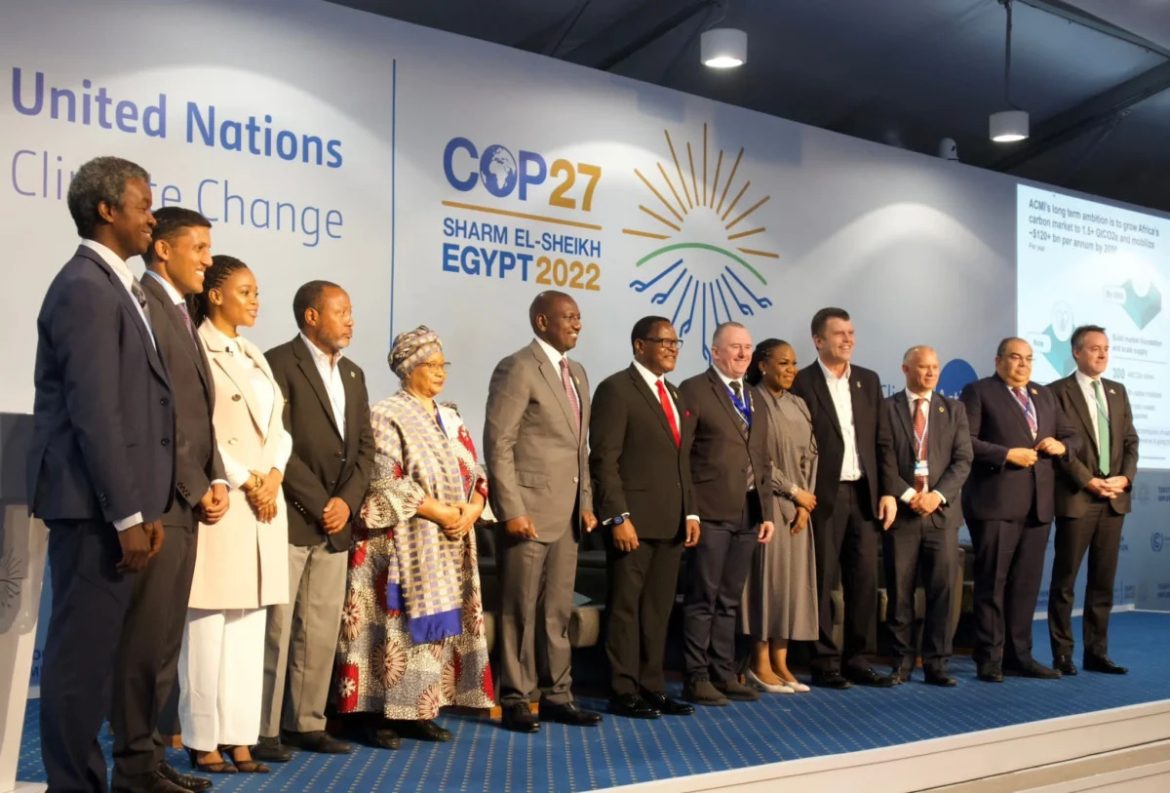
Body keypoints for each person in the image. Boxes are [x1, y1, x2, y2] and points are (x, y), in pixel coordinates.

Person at [29, 156, 175, 793]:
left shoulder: (117, 285)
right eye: (143, 205)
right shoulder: (85, 287)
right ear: (107, 210)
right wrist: (127, 512)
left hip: (116, 507)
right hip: (93, 509)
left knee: (96, 662)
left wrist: (146, 507)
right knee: (79, 667)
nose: (152, 217)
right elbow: (95, 411)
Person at [111, 208, 228, 793]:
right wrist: (194, 484)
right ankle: (133, 765)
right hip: (160, 500)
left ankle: (149, 759)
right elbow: (160, 414)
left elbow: (201, 413)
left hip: (186, 501)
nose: (209, 259)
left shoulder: (182, 311)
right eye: (199, 247)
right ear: (163, 249)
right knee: (143, 642)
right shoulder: (146, 304)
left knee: (162, 643)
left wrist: (218, 476)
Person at [334, 326, 495, 746]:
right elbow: (386, 479)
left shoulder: (452, 417)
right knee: (391, 630)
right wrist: (439, 511)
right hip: (400, 541)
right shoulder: (386, 414)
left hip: (450, 539)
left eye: (443, 364)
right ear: (408, 369)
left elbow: (475, 471)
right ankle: (376, 715)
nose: (440, 372)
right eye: (430, 364)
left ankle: (419, 710)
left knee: (432, 636)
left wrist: (473, 508)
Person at [178, 255, 291, 774]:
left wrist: (274, 476)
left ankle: (240, 737)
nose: (255, 301)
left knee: (248, 630)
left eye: (257, 292)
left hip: (265, 505)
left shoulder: (253, 353)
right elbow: (199, 429)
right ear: (215, 295)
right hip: (226, 499)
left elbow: (279, 429)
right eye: (245, 292)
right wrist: (247, 479)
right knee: (208, 629)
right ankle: (202, 738)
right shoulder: (196, 346)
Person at [257, 281, 375, 759]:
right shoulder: (278, 363)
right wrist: (320, 502)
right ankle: (263, 730)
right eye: (340, 311)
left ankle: (305, 723)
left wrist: (346, 502)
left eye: (351, 311)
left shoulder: (353, 373)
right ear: (311, 316)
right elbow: (276, 442)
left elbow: (365, 448)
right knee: (277, 629)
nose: (350, 320)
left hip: (336, 523)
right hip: (291, 516)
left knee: (321, 629)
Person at [484, 290, 602, 733]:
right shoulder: (517, 367)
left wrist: (586, 502)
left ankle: (558, 695)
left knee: (557, 612)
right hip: (528, 513)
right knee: (519, 610)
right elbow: (499, 444)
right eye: (568, 317)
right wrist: (511, 508)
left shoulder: (578, 373)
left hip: (568, 516)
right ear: (541, 321)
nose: (577, 324)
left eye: (578, 317)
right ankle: (517, 696)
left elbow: (579, 449)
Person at [589, 317, 700, 719]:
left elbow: (682, 461)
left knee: (657, 611)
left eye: (675, 342)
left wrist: (691, 511)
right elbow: (604, 460)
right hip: (632, 523)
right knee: (626, 609)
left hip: (672, 522)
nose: (672, 348)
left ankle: (653, 687)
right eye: (663, 341)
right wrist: (617, 517)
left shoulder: (675, 393)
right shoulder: (616, 389)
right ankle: (623, 690)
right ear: (639, 345)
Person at [789, 307, 896, 689]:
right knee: (821, 580)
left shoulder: (868, 380)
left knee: (864, 581)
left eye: (851, 333)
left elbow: (883, 441)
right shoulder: (801, 382)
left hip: (864, 494)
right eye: (839, 334)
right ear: (818, 340)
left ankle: (859, 659)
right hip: (822, 496)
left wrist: (888, 491)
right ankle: (823, 661)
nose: (848, 339)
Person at [960, 337, 1077, 682]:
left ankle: (1019, 656)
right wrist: (1006, 454)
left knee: (1025, 587)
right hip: (995, 503)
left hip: (1038, 506)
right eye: (1015, 357)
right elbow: (965, 441)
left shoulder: (1044, 395)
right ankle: (989, 658)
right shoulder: (979, 391)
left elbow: (1073, 436)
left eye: (1028, 358)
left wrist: (1062, 445)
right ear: (999, 361)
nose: (1023, 364)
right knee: (992, 585)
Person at [678, 322, 775, 706]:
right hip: (710, 510)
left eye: (748, 347)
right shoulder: (693, 389)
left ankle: (723, 673)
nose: (743, 353)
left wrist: (766, 512)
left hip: (749, 513)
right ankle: (696, 677)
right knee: (703, 598)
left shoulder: (753, 395)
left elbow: (762, 459)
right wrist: (690, 511)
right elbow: (682, 456)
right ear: (714, 351)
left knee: (730, 600)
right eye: (735, 347)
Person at [877, 346, 972, 687]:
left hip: (941, 515)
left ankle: (937, 664)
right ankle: (900, 664)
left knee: (942, 593)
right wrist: (907, 495)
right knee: (900, 593)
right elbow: (882, 459)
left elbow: (963, 460)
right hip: (902, 516)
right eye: (923, 367)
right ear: (905, 369)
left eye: (934, 367)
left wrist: (936, 496)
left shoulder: (954, 409)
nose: (930, 373)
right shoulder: (886, 408)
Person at [1048, 325, 1138, 676]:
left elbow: (1130, 441)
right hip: (1078, 498)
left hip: (1113, 499)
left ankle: (1096, 653)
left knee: (1102, 582)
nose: (1102, 354)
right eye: (1094, 348)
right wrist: (1088, 481)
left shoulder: (1117, 390)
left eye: (1106, 348)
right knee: (1065, 582)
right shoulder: (1057, 392)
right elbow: (1059, 448)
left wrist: (1125, 478)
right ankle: (1062, 654)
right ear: (1076, 352)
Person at [741, 339, 818, 694]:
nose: (791, 370)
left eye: (794, 363)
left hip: (799, 511)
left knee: (791, 587)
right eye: (783, 363)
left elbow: (811, 456)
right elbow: (756, 458)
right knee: (766, 585)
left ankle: (781, 662)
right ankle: (759, 662)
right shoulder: (750, 400)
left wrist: (804, 502)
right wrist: (792, 491)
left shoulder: (799, 403)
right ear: (762, 365)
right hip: (767, 505)